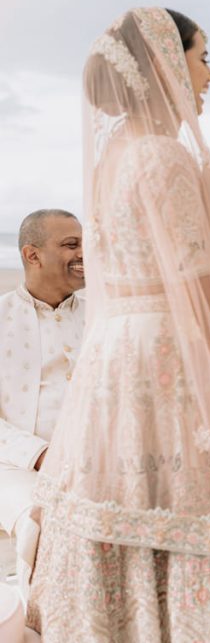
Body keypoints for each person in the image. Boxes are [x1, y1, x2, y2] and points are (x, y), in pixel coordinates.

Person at [26, 8, 210, 640]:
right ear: (166, 64)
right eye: (203, 57)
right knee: (182, 500)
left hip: (115, 351)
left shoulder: (113, 156)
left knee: (128, 497)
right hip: (164, 349)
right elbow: (198, 287)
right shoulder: (166, 158)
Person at [0, 209, 85, 582]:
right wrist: (43, 455)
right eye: (71, 245)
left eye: (86, 244)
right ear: (32, 255)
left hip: (99, 460)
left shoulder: (104, 314)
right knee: (47, 522)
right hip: (15, 467)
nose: (84, 254)